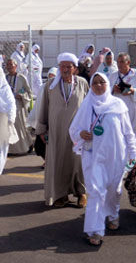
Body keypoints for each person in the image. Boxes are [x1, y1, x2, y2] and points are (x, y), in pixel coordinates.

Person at [69, 72, 136, 246]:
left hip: (116, 157)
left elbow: (129, 134)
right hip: (92, 156)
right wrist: (80, 134)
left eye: (102, 82)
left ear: (107, 84)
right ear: (91, 86)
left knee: (115, 191)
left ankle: (113, 215)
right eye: (95, 83)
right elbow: (73, 129)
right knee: (95, 192)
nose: (99, 85)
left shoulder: (118, 105)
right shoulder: (86, 105)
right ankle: (95, 230)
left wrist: (133, 155)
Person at [36, 52, 88, 208]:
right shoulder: (50, 85)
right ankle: (60, 195)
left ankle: (81, 193)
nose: (65, 69)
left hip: (78, 132)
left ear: (74, 68)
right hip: (56, 131)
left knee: (78, 162)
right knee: (58, 163)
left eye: (69, 66)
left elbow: (88, 106)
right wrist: (42, 130)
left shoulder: (82, 83)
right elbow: (43, 107)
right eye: (63, 66)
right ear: (59, 67)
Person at [109, 53, 136, 147]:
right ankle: (121, 161)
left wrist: (133, 91)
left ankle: (132, 161)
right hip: (117, 111)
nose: (119, 65)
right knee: (118, 138)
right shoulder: (113, 76)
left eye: (122, 62)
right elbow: (106, 92)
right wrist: (113, 89)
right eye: (118, 62)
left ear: (128, 62)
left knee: (133, 139)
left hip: (133, 111)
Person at [5, 59, 33, 155]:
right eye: (7, 64)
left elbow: (29, 92)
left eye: (11, 64)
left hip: (18, 105)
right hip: (7, 106)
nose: (9, 66)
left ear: (15, 66)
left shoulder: (21, 78)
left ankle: (25, 146)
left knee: (20, 126)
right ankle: (10, 150)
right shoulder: (4, 78)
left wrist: (22, 96)